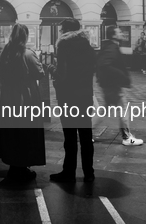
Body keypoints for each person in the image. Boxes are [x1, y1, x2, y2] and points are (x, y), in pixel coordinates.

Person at [0, 23, 46, 181]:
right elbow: (40, 74)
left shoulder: (5, 52)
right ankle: (22, 166)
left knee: (12, 130)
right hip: (26, 97)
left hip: (9, 96)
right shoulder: (28, 53)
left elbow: (0, 73)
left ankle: (13, 164)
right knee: (26, 131)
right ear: (26, 36)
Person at [47, 18, 96, 182]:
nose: (60, 32)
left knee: (70, 137)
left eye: (61, 30)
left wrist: (51, 68)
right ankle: (89, 172)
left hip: (68, 96)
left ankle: (69, 172)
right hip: (85, 95)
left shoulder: (63, 45)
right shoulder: (88, 47)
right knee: (85, 136)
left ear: (65, 31)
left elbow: (63, 74)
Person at [96, 25, 144, 146]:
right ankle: (127, 137)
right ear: (113, 35)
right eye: (119, 32)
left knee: (104, 110)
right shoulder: (111, 48)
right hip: (113, 85)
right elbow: (105, 65)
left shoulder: (109, 46)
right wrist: (121, 75)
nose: (121, 34)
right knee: (123, 110)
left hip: (108, 84)